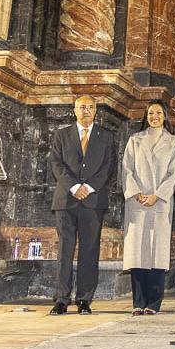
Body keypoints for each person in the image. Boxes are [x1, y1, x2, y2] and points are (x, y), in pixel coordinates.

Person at [49, 94, 114, 315]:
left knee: (89, 250)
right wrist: (75, 187)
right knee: (65, 250)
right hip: (66, 200)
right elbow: (56, 164)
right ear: (74, 110)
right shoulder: (61, 135)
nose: (86, 111)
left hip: (93, 201)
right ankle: (61, 298)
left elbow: (108, 167)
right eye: (82, 107)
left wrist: (89, 187)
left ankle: (84, 298)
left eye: (90, 107)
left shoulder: (106, 136)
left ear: (96, 110)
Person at [121, 101, 175, 315]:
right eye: (150, 113)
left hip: (160, 202)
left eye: (158, 113)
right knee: (138, 253)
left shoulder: (173, 142)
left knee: (157, 253)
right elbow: (127, 169)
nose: (154, 116)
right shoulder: (135, 140)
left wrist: (157, 195)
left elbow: (174, 172)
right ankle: (138, 302)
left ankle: (154, 303)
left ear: (165, 116)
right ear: (145, 116)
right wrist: (136, 193)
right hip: (137, 202)